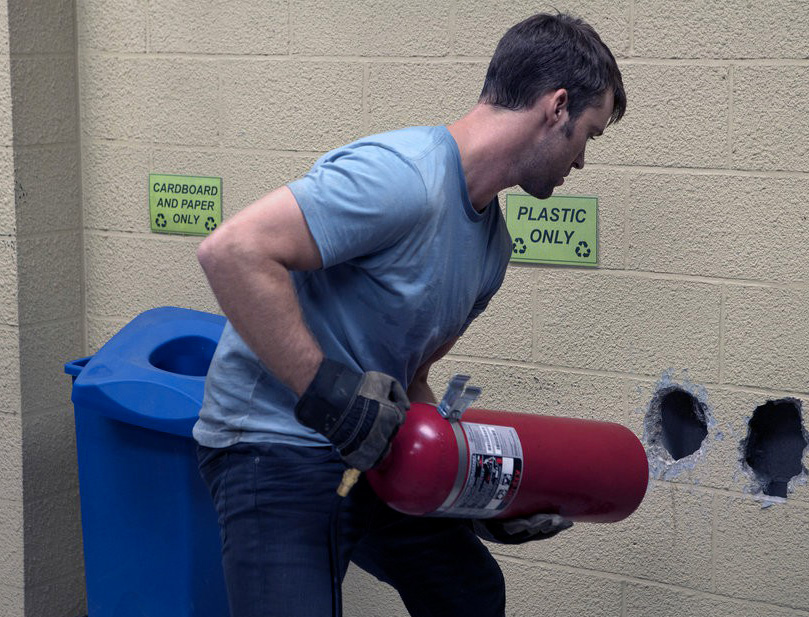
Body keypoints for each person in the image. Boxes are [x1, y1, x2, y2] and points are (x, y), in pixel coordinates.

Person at [193, 12, 626, 617]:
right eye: (590, 134)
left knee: (469, 593)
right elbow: (232, 251)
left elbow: (412, 376)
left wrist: (478, 493)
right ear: (556, 108)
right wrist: (329, 394)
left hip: (367, 449)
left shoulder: (492, 249)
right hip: (274, 443)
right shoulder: (401, 176)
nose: (582, 161)